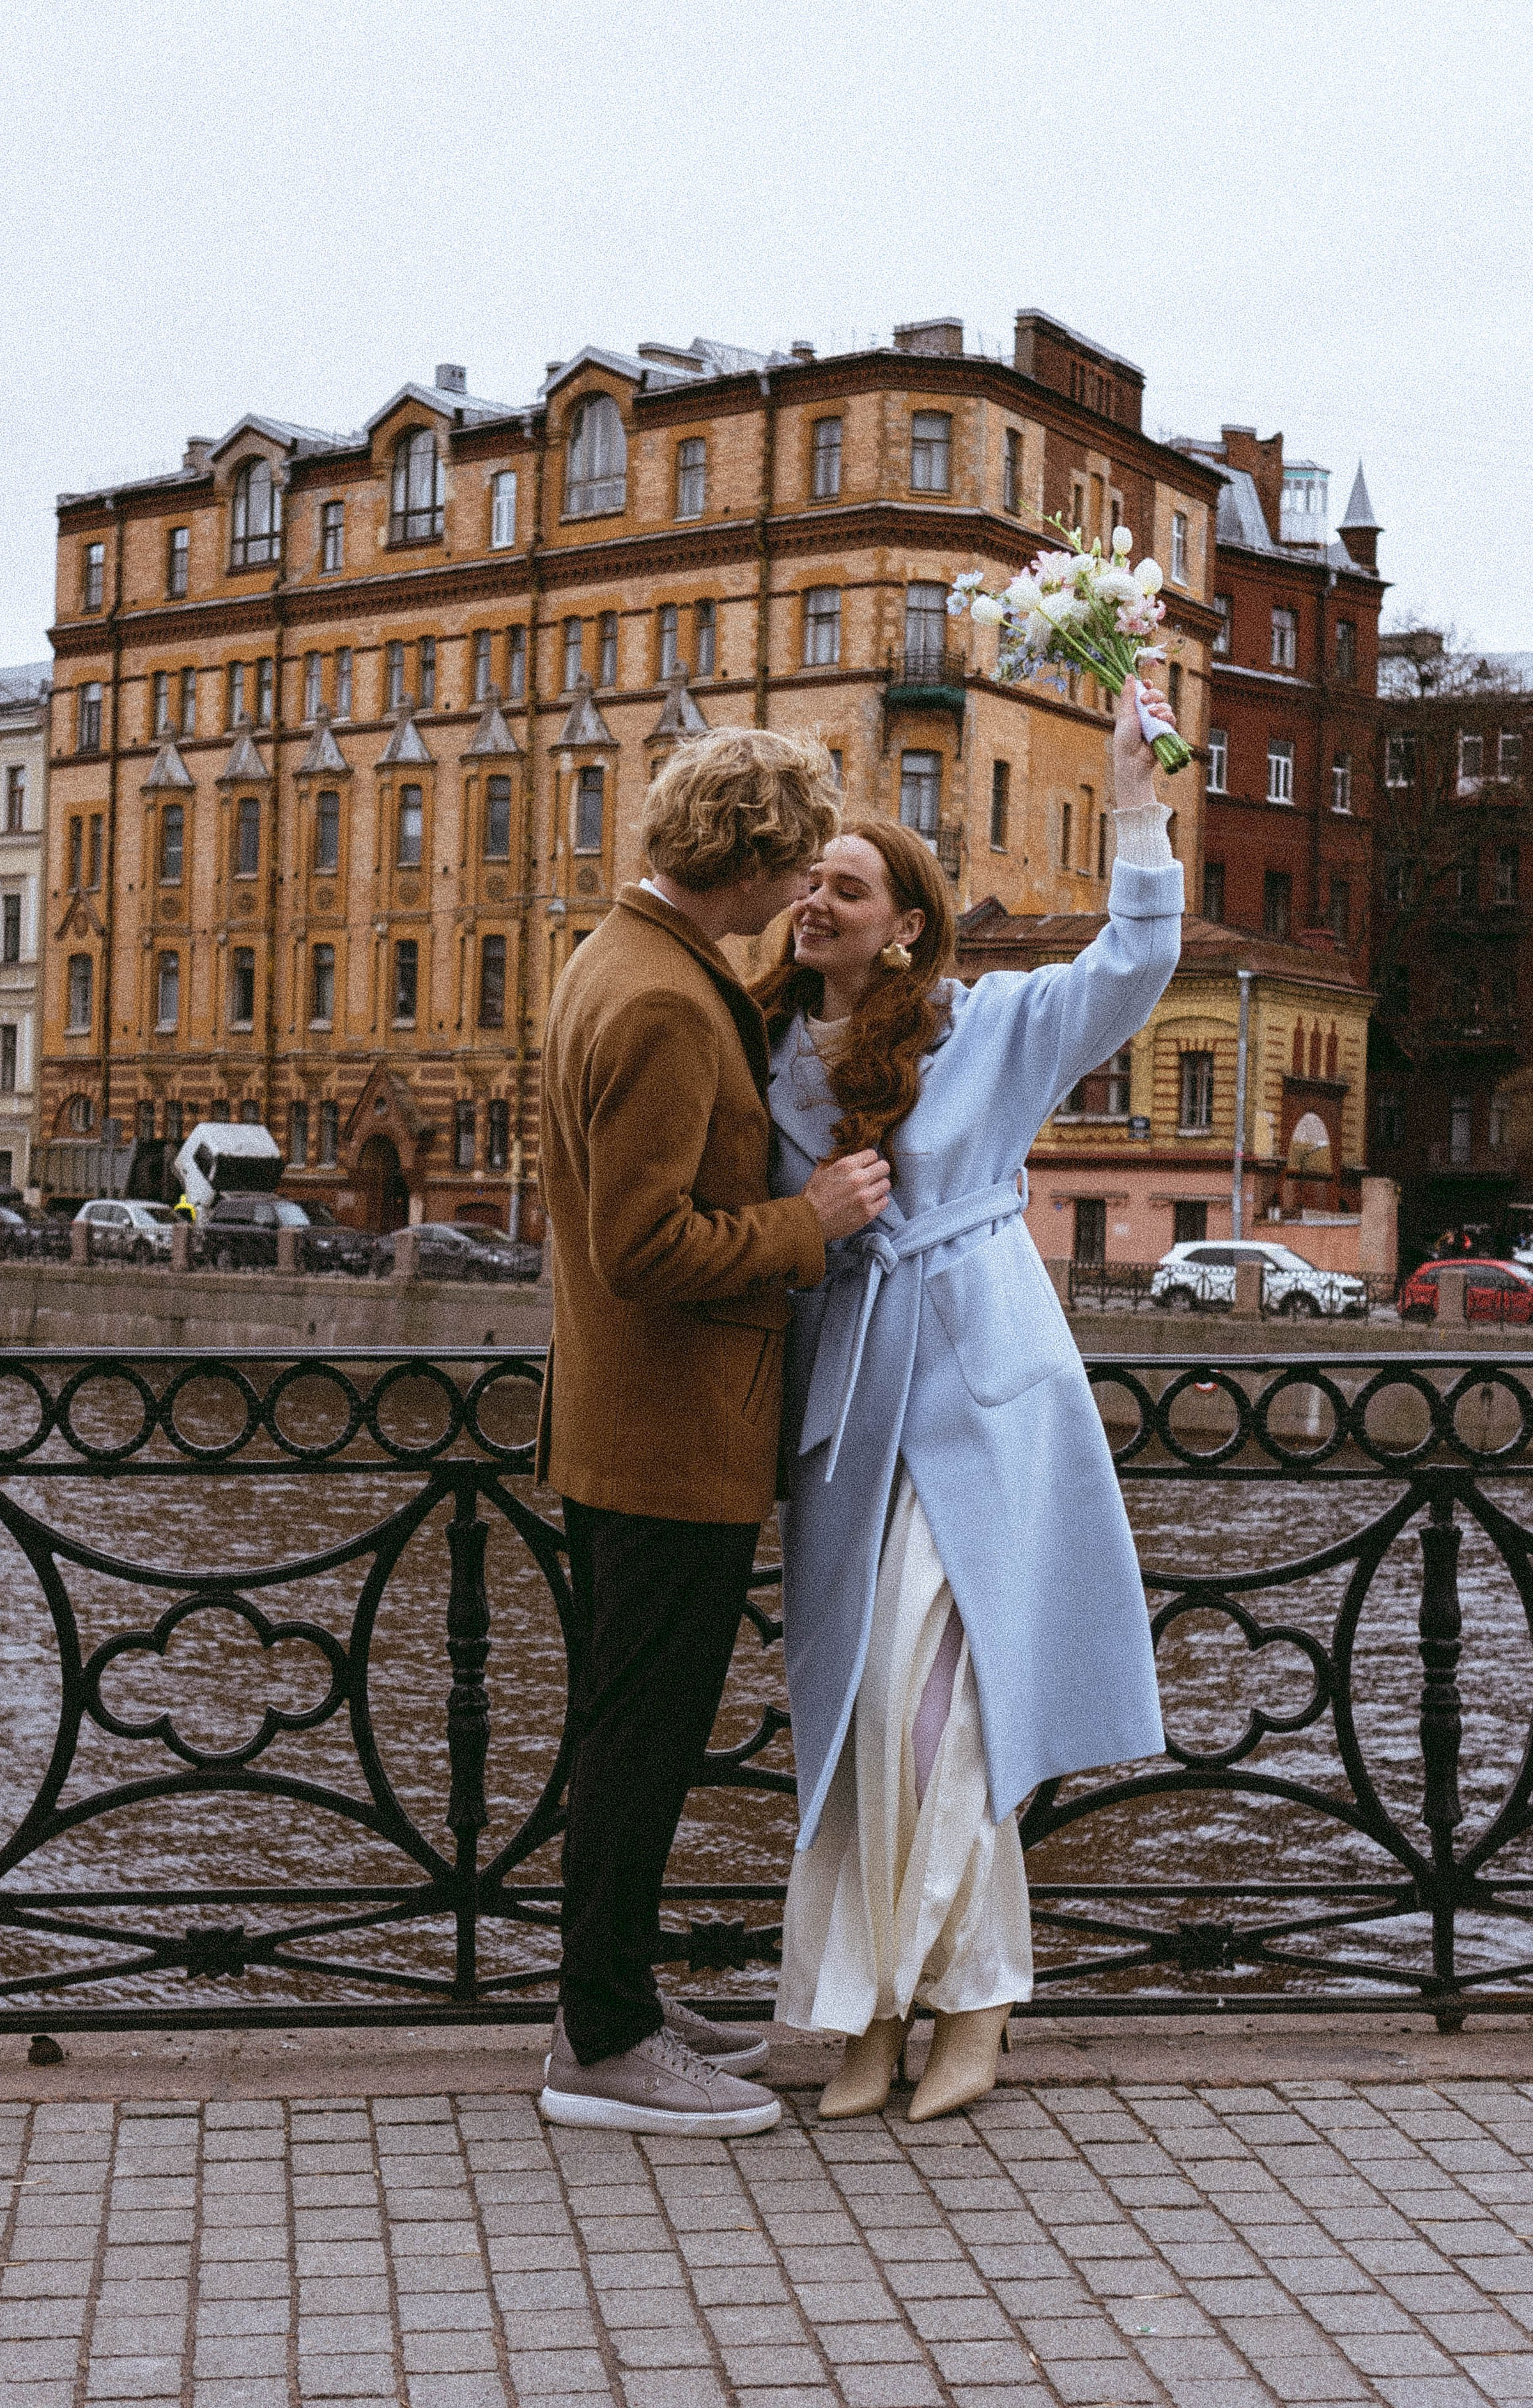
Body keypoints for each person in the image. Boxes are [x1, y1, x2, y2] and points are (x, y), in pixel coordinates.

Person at [758, 677, 1185, 2121]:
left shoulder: (986, 1027)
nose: (817, 896)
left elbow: (1133, 963)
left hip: (985, 1402)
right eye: (809, 879)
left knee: (946, 1709)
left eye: (848, 884)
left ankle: (978, 2002)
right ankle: (871, 2011)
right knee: (863, 1714)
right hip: (852, 1421)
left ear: (909, 924)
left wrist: (1133, 800)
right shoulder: (774, 1066)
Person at [535, 726, 893, 2136]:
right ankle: (605, 2042)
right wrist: (811, 1223)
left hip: (625, 1422)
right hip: (668, 1431)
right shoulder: (669, 1008)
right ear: (743, 860)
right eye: (793, 865)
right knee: (640, 1739)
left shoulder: (620, 956)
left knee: (627, 1726)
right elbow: (642, 1243)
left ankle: (602, 1991)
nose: (799, 893)